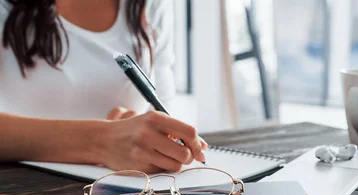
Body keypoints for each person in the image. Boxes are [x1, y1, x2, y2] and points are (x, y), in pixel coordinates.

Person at [0, 0, 207, 173]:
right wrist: (102, 140)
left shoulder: (151, 4)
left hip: (127, 192)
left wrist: (142, 132)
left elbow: (164, 101)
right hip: (26, 194)